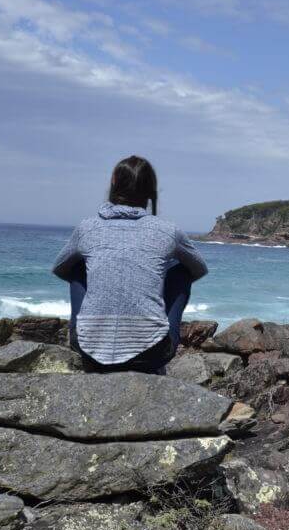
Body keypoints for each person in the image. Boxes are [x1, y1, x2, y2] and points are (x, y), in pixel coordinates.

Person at [52, 155, 207, 374]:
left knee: (76, 268)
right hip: (152, 355)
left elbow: (60, 268)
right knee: (181, 270)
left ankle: (92, 331)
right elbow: (199, 268)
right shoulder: (168, 231)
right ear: (152, 189)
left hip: (89, 352)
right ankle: (151, 329)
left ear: (114, 181)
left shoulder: (87, 228)